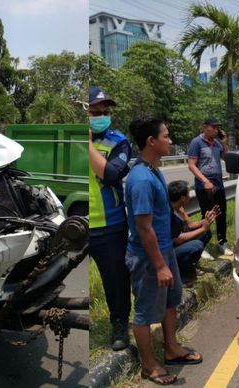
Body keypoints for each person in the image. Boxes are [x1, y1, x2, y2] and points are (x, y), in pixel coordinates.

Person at [125, 117, 202, 385]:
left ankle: (172, 348)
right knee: (145, 313)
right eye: (166, 136)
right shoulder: (141, 179)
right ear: (151, 141)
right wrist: (160, 265)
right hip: (149, 258)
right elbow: (144, 228)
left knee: (171, 301)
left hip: (164, 249)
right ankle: (149, 365)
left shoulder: (154, 170)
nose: (170, 141)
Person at [88, 86, 133, 351]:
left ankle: (119, 324)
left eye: (106, 111)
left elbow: (112, 175)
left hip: (110, 226)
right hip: (77, 222)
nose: (103, 115)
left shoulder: (118, 141)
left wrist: (87, 143)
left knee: (116, 280)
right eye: (96, 111)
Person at [187, 117, 234, 256]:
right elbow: (191, 165)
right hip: (204, 185)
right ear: (205, 126)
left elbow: (226, 158)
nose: (216, 130)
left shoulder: (217, 143)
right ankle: (202, 245)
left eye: (217, 127)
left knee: (221, 214)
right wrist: (204, 180)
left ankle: (222, 242)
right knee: (207, 215)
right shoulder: (197, 142)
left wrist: (224, 143)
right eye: (213, 127)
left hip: (218, 183)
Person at [168, 180, 218, 277]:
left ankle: (189, 264)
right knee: (197, 245)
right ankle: (182, 272)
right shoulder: (168, 213)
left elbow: (190, 225)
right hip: (170, 251)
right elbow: (178, 239)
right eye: (188, 194)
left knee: (207, 234)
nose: (190, 197)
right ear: (182, 198)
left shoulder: (179, 208)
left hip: (177, 244)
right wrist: (203, 228)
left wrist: (205, 221)